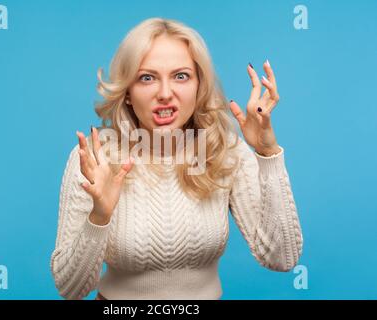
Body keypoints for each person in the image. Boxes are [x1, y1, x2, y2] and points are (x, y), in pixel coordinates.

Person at [50, 17, 303, 300]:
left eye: (181, 76)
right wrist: (100, 216)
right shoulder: (97, 157)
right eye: (147, 78)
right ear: (129, 93)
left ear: (198, 86)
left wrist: (267, 154)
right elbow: (69, 288)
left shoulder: (223, 150)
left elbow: (282, 258)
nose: (165, 94)